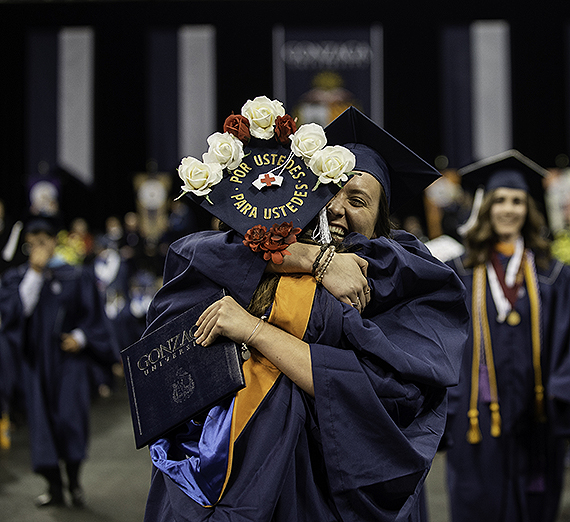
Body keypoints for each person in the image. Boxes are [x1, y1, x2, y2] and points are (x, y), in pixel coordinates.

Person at [139, 98, 469, 521]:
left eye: (358, 200)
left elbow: (383, 393)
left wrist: (254, 330)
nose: (336, 208)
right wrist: (311, 258)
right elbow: (194, 268)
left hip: (327, 486)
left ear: (382, 220)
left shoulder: (396, 279)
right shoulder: (244, 258)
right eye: (330, 191)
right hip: (231, 472)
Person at [444, 150, 570, 522]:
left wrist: (562, 399)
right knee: (477, 502)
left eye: (517, 201)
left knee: (535, 507)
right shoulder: (459, 272)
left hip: (538, 416)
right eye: (500, 200)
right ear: (487, 206)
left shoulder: (553, 275)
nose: (508, 209)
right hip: (475, 418)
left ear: (529, 208)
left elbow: (566, 341)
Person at [0, 217, 120, 507]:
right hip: (36, 364)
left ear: (56, 241)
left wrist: (80, 338)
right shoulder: (19, 279)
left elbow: (93, 317)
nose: (41, 245)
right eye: (35, 240)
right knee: (43, 426)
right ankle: (54, 488)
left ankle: (75, 484)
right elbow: (15, 317)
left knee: (70, 421)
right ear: (28, 245)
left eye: (46, 239)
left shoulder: (75, 275)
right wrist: (36, 273)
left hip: (69, 363)